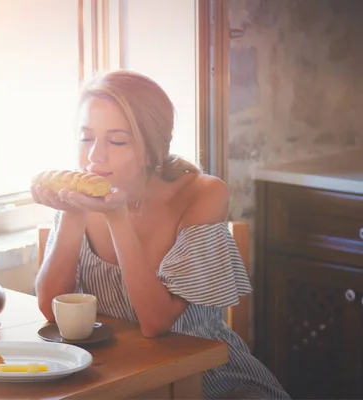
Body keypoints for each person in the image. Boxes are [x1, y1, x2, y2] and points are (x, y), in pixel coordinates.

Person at [31, 70, 290, 399]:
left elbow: (155, 324)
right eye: (86, 137)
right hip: (110, 375)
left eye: (117, 140)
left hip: (203, 377)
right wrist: (73, 214)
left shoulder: (202, 194)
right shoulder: (80, 192)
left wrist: (116, 217)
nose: (95, 155)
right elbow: (51, 311)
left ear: (153, 148)